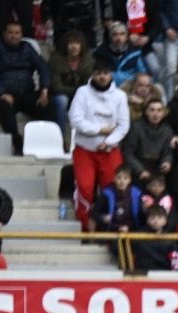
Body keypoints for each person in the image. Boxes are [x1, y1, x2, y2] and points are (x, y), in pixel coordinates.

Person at [68, 60, 129, 229]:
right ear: (93, 74)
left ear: (111, 75)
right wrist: (99, 130)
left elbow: (123, 125)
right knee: (85, 188)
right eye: (98, 73)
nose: (102, 77)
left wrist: (108, 141)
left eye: (105, 73)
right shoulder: (82, 92)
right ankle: (85, 226)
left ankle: (110, 227)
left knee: (112, 189)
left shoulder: (120, 96)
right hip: (84, 150)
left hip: (110, 151)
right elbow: (75, 120)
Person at [0, 21, 51, 152]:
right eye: (10, 32)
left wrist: (44, 89)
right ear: (4, 34)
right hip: (0, 96)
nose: (14, 36)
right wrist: (1, 93)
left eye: (17, 33)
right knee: (5, 109)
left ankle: (47, 140)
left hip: (25, 93)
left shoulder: (28, 48)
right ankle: (17, 142)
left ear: (22, 34)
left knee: (47, 104)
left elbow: (43, 68)